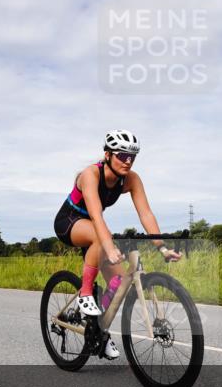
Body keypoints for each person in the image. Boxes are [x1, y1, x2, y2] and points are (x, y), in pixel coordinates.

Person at [53, 129, 182, 360]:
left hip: (94, 227)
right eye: (122, 155)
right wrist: (109, 247)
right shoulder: (90, 174)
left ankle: (98, 329)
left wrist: (162, 247)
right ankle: (85, 294)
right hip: (69, 222)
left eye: (132, 156)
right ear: (107, 155)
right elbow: (96, 216)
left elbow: (146, 214)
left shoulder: (131, 179)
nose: (128, 161)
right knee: (101, 236)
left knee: (120, 282)